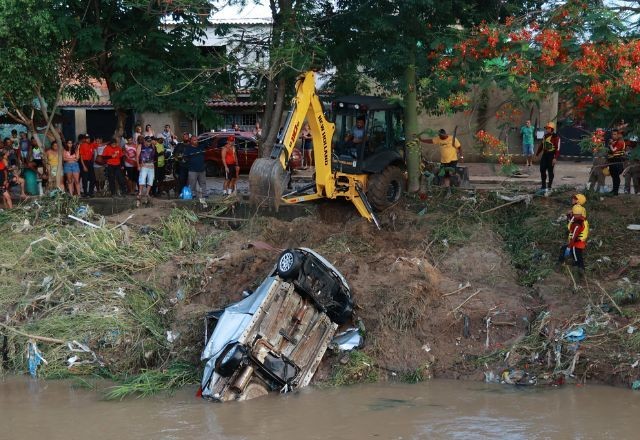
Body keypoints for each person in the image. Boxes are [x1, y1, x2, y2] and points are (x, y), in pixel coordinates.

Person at [558, 194, 589, 275]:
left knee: (577, 256)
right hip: (577, 240)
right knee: (576, 254)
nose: (572, 199)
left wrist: (569, 246)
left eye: (575, 199)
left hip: (577, 242)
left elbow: (575, 234)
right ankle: (577, 267)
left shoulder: (577, 223)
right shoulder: (580, 215)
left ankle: (580, 270)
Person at [535, 121, 560, 194]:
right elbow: (541, 145)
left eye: (548, 128)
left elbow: (557, 149)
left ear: (552, 129)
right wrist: (537, 154)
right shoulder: (545, 136)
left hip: (551, 155)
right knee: (542, 169)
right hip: (545, 155)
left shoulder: (556, 137)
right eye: (546, 128)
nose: (546, 129)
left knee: (550, 171)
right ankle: (543, 186)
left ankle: (549, 186)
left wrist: (555, 158)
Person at [186, 135, 207, 206]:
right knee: (192, 184)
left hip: (201, 169)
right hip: (192, 170)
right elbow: (185, 158)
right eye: (194, 140)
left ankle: (204, 194)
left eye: (197, 140)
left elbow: (206, 144)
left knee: (203, 183)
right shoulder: (188, 148)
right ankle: (193, 195)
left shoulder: (201, 147)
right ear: (191, 141)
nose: (196, 141)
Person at [136, 136, 156, 207]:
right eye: (147, 141)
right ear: (144, 141)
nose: (149, 143)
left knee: (150, 180)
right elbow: (137, 156)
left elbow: (154, 155)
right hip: (143, 165)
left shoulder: (152, 145)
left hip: (151, 165)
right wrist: (138, 165)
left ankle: (147, 193)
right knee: (142, 179)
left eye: (150, 141)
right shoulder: (140, 146)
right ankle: (140, 193)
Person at [607, 128, 626, 195]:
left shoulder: (620, 142)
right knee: (614, 176)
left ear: (618, 135)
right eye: (612, 134)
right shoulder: (615, 142)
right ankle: (614, 190)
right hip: (612, 161)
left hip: (618, 162)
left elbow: (613, 150)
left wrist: (610, 145)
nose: (613, 135)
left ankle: (615, 192)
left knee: (616, 177)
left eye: (615, 134)